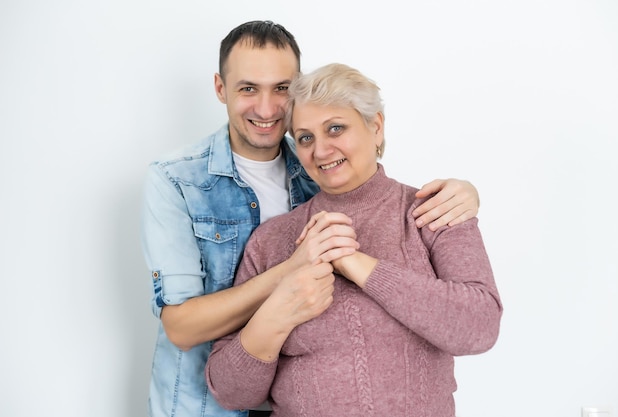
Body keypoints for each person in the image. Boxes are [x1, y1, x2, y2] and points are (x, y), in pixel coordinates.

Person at [141, 21, 481, 417]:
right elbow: (182, 329)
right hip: (202, 404)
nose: (266, 109)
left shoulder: (320, 169)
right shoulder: (176, 180)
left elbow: (368, 189)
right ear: (221, 88)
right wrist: (289, 275)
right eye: (248, 88)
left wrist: (466, 191)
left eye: (281, 89)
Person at [205, 62, 503, 417]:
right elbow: (231, 392)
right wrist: (279, 309)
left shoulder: (434, 211)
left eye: (335, 128)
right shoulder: (272, 240)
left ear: (375, 127)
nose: (321, 150)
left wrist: (358, 264)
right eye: (305, 138)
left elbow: (480, 328)